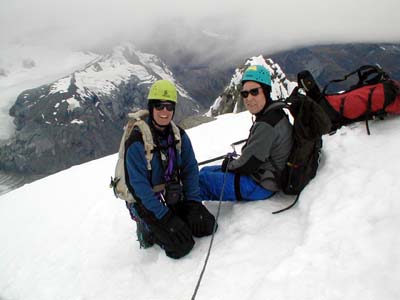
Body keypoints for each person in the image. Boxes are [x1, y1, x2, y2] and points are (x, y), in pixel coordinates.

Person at [125, 79, 216, 259]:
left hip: (171, 191)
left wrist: (193, 202)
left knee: (206, 225)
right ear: (151, 107)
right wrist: (164, 216)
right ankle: (147, 230)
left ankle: (170, 222)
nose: (165, 112)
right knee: (181, 246)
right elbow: (139, 187)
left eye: (169, 106)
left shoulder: (178, 136)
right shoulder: (137, 142)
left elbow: (190, 168)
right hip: (147, 202)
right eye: (159, 106)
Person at [199, 65, 293, 201]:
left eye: (254, 92)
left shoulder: (267, 124)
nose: (249, 98)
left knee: (201, 179)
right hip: (264, 176)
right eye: (245, 94)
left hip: (260, 184)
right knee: (204, 171)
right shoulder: (274, 113)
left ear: (266, 91)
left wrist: (228, 165)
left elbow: (247, 165)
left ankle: (188, 214)